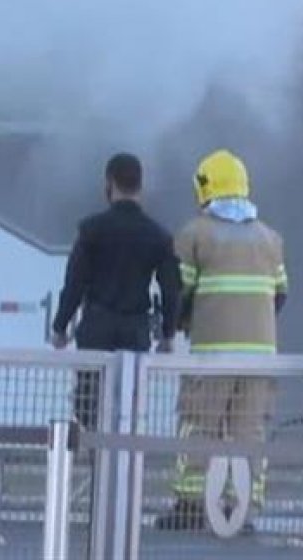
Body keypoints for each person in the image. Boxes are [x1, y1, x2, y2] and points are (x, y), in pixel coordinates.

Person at [156, 149, 286, 533]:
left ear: (204, 186)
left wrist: (177, 325)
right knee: (249, 429)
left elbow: (181, 290)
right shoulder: (270, 238)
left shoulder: (195, 233)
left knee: (200, 424)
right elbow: (280, 294)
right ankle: (241, 509)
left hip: (211, 354)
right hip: (261, 356)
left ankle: (192, 504)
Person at [50, 153, 182, 429]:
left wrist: (60, 327)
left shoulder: (91, 230)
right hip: (134, 332)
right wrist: (168, 335)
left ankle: (97, 466)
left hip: (96, 329)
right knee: (129, 409)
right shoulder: (158, 235)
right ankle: (124, 468)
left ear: (109, 184)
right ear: (140, 187)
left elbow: (74, 283)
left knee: (89, 407)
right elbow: (171, 289)